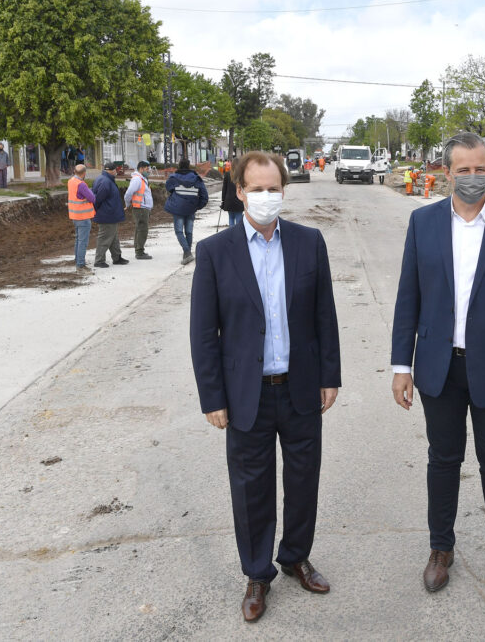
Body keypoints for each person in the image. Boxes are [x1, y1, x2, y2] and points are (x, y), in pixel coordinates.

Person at [189, 150, 341, 623]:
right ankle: (257, 574)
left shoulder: (309, 243)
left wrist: (329, 377)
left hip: (299, 389)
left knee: (302, 481)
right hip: (244, 394)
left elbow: (324, 317)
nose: (265, 197)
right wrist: (212, 397)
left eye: (273, 189)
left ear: (284, 191)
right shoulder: (215, 252)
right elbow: (203, 332)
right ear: (239, 192)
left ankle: (295, 556)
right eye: (256, 189)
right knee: (251, 488)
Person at [391, 132, 485, 601]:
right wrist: (402, 365)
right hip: (439, 368)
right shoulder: (423, 223)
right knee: (443, 460)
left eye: (481, 170)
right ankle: (441, 549)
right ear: (447, 172)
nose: (473, 178)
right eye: (464, 170)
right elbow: (408, 298)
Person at [165, 157, 209, 264]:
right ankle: (187, 253)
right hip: (191, 208)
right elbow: (204, 196)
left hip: (177, 208)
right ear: (189, 166)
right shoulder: (196, 179)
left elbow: (168, 187)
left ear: (179, 166)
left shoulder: (173, 178)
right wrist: (197, 206)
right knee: (189, 231)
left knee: (179, 231)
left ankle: (187, 252)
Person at [92, 162, 129, 268]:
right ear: (112, 170)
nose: (116, 172)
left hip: (109, 213)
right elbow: (98, 199)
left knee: (113, 237)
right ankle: (99, 260)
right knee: (104, 237)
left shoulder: (105, 179)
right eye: (116, 170)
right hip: (107, 214)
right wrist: (100, 210)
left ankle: (117, 257)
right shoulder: (106, 182)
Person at [67, 164, 96, 274]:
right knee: (83, 242)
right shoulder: (82, 184)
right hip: (83, 217)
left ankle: (77, 260)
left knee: (78, 240)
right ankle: (80, 265)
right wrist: (91, 191)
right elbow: (92, 198)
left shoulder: (71, 181)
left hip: (75, 215)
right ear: (84, 173)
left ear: (74, 171)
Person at [124, 160, 153, 259]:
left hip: (143, 208)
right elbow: (128, 193)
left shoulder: (142, 178)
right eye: (147, 168)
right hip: (140, 208)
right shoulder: (137, 179)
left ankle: (138, 249)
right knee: (142, 230)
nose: (148, 170)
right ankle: (139, 252)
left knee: (139, 229)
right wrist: (128, 204)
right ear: (141, 169)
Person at [221, 163, 245, 228]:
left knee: (231, 218)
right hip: (239, 200)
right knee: (239, 219)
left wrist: (223, 200)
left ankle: (231, 233)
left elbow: (224, 188)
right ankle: (237, 233)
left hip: (229, 200)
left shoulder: (227, 174)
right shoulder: (242, 175)